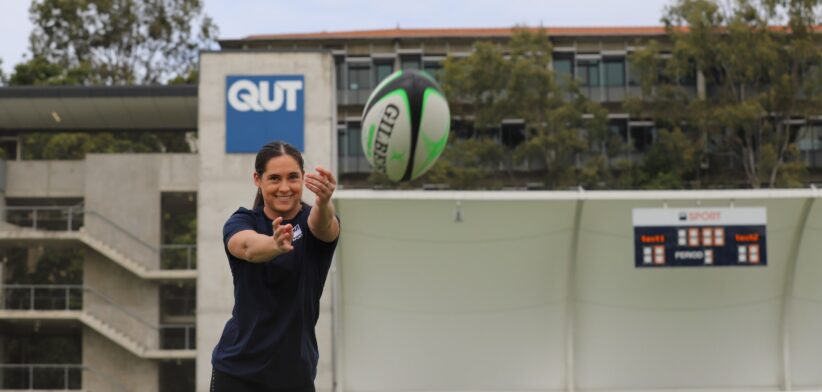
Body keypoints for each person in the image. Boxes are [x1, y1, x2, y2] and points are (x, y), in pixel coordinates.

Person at [211, 141, 340, 392]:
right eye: (274, 178)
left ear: (303, 178)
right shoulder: (242, 220)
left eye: (293, 177)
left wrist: (324, 202)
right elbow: (247, 247)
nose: (284, 187)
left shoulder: (313, 221)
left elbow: (324, 225)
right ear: (257, 179)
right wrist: (275, 244)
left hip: (295, 376)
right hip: (237, 373)